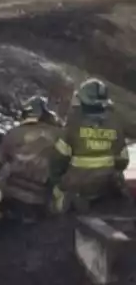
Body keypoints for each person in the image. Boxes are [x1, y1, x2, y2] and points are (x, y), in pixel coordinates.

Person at [0, 95, 61, 234]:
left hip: (9, 196)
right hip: (43, 201)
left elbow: (0, 162)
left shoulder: (14, 134)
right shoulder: (61, 135)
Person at [50, 78, 131, 213]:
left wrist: (56, 179)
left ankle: (62, 208)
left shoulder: (73, 122)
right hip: (104, 184)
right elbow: (123, 161)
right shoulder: (115, 123)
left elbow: (59, 159)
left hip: (75, 185)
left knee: (54, 195)